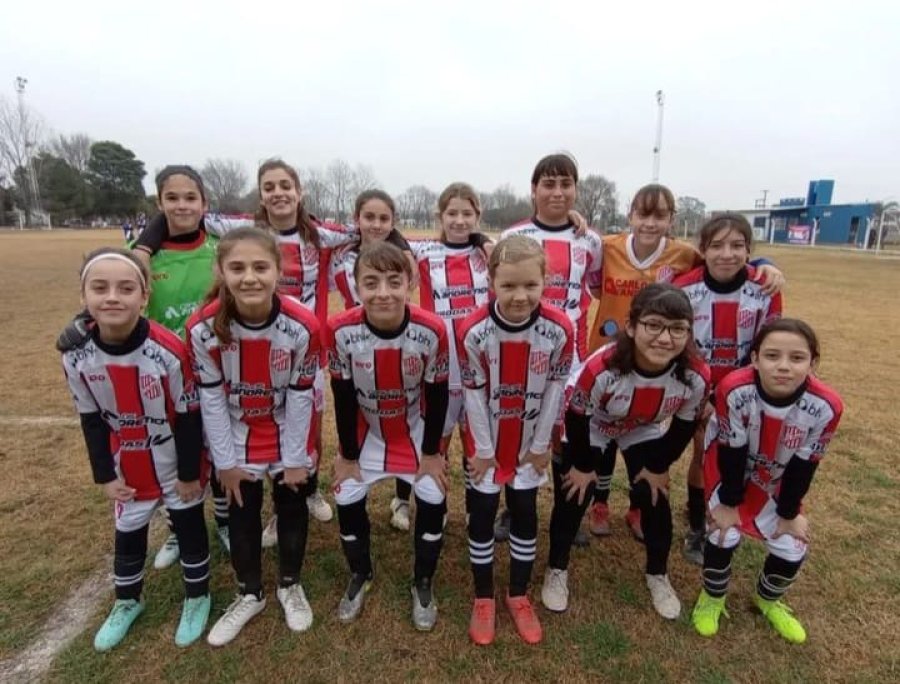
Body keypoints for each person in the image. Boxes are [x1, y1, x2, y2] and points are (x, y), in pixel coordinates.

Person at [583, 184, 784, 542]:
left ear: (671, 219)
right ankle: (599, 502)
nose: (650, 222)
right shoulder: (608, 247)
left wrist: (764, 264)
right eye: (643, 214)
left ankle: (638, 504)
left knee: (643, 431)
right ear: (630, 215)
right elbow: (589, 272)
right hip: (611, 352)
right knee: (605, 433)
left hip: (663, 362)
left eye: (660, 215)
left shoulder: (684, 255)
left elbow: (725, 260)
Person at [58, 165, 231, 570]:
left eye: (191, 198)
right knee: (172, 454)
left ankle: (223, 519)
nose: (182, 205)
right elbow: (113, 298)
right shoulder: (142, 253)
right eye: (172, 198)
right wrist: (81, 322)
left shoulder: (220, 248)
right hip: (163, 375)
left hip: (215, 369)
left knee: (218, 448)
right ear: (160, 203)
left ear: (204, 203)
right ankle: (177, 527)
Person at [61, 248, 210, 650]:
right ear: (83, 296)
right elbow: (90, 418)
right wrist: (105, 476)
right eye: (100, 288)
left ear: (144, 297)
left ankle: (198, 597)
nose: (113, 297)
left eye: (126, 288)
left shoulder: (168, 351)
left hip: (173, 459)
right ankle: (128, 602)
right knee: (128, 533)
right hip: (127, 464)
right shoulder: (75, 355)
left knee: (191, 527)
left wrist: (187, 473)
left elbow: (189, 414)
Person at [541, 283, 710, 620]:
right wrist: (584, 465)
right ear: (631, 326)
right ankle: (556, 569)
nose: (665, 338)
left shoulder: (695, 375)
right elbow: (576, 416)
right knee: (575, 493)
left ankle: (658, 574)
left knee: (655, 495)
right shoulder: (601, 368)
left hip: (641, 426)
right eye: (653, 325)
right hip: (592, 423)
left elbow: (683, 425)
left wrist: (659, 465)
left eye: (678, 329)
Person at [187, 227, 321, 646]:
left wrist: (297, 458)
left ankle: (289, 584)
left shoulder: (303, 325)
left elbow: (301, 397)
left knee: (292, 502)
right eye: (237, 267)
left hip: (286, 429)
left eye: (260, 267)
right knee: (241, 511)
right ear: (221, 271)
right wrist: (225, 463)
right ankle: (250, 593)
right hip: (236, 429)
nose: (249, 277)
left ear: (278, 271)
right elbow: (210, 401)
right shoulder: (202, 328)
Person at [690, 319, 842, 643]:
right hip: (731, 468)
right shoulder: (734, 389)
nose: (784, 366)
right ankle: (713, 598)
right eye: (772, 356)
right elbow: (732, 451)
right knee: (722, 533)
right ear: (755, 359)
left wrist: (789, 513)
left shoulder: (827, 407)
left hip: (776, 475)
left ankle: (768, 599)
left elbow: (805, 464)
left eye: (797, 358)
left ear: (813, 363)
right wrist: (729, 505)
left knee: (791, 546)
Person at [325, 242, 449, 631]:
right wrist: (346, 455)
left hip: (412, 431)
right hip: (368, 432)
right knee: (345, 494)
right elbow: (342, 396)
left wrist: (431, 454)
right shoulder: (339, 330)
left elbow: (438, 394)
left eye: (394, 282)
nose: (383, 292)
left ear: (410, 284)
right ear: (356, 286)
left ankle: (423, 582)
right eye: (371, 282)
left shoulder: (432, 330)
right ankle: (361, 573)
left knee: (433, 494)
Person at [458, 235, 574, 645]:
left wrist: (542, 445)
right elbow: (472, 393)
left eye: (530, 285)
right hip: (487, 442)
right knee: (484, 514)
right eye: (508, 286)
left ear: (546, 281)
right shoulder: (472, 330)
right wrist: (484, 453)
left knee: (525, 511)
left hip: (530, 442)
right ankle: (484, 598)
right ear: (491, 282)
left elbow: (557, 390)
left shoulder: (560, 328)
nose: (520, 295)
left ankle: (519, 595)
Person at [495, 152, 603, 546]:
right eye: (549, 183)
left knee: (568, 431)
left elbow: (603, 283)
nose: (558, 192)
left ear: (576, 189)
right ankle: (512, 506)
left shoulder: (589, 239)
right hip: (520, 348)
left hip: (569, 353)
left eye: (566, 183)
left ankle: (567, 512)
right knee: (518, 424)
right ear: (534, 190)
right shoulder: (513, 237)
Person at [674, 213, 782, 564]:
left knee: (735, 458)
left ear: (749, 251)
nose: (727, 254)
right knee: (702, 454)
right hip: (699, 389)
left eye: (737, 246)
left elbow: (771, 342)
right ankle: (696, 526)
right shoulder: (685, 287)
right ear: (703, 250)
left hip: (747, 393)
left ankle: (728, 514)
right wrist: (703, 395)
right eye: (717, 246)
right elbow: (679, 344)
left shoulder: (763, 288)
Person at [329, 189, 424, 532]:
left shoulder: (408, 254)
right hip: (355, 350)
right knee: (356, 410)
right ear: (356, 220)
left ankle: (402, 499)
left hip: (399, 348)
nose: (376, 224)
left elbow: (455, 238)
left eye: (385, 218)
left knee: (403, 414)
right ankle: (356, 486)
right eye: (369, 217)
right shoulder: (339, 255)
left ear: (393, 222)